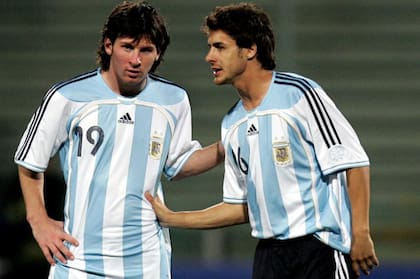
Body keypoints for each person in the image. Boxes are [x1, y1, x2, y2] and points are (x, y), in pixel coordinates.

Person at [145, 2, 379, 278]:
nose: (209, 57)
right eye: (210, 47)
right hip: (269, 257)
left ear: (250, 49)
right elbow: (240, 206)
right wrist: (176, 218)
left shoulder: (300, 95)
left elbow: (353, 161)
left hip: (319, 248)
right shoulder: (232, 124)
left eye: (219, 47)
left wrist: (360, 232)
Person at [14, 1, 223, 278]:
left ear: (157, 53)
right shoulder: (66, 97)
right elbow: (30, 161)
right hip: (78, 260)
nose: (136, 60)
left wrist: (225, 148)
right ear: (109, 45)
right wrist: (38, 220)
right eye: (128, 47)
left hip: (146, 262)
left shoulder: (173, 100)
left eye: (146, 50)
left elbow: (177, 163)